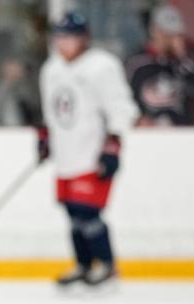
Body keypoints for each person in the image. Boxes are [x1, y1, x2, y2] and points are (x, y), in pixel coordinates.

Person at [38, 12, 139, 288]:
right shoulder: (52, 69)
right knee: (72, 212)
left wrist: (113, 146)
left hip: (92, 153)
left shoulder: (102, 66)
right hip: (66, 153)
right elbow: (51, 109)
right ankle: (83, 265)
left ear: (84, 39)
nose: (64, 44)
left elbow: (121, 108)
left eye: (70, 38)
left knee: (88, 213)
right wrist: (46, 137)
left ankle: (106, 266)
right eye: (60, 37)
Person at [125, 5, 194, 126]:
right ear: (154, 31)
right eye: (166, 34)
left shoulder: (184, 62)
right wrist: (136, 118)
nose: (170, 40)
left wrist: (181, 57)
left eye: (175, 35)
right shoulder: (136, 61)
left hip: (181, 132)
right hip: (147, 132)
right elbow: (123, 95)